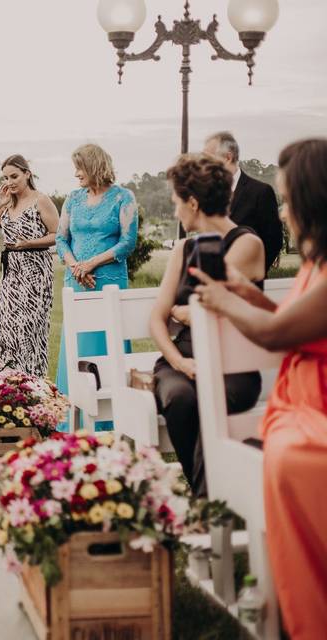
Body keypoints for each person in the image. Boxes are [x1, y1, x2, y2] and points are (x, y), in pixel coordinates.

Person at [193, 138, 327, 638]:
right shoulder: (315, 264)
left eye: (291, 199)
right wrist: (251, 296)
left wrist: (224, 303)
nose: (285, 211)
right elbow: (293, 322)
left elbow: (276, 335)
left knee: (296, 458)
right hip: (302, 398)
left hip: (317, 404)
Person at [148, 154, 265, 497]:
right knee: (180, 398)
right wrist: (178, 361)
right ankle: (210, 497)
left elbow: (207, 305)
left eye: (176, 203)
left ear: (193, 202)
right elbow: (159, 316)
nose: (175, 212)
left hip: (233, 366)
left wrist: (186, 311)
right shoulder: (183, 248)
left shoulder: (247, 243)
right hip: (182, 359)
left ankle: (208, 502)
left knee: (208, 396)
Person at [55, 143, 138, 430]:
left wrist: (91, 264)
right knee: (76, 346)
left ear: (94, 167)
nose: (76, 173)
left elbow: (127, 243)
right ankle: (72, 422)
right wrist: (76, 265)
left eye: (80, 167)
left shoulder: (123, 198)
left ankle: (112, 421)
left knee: (107, 345)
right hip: (76, 283)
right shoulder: (73, 199)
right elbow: (61, 239)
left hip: (109, 284)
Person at [0, 154, 58, 377]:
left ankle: (31, 382)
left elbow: (58, 235)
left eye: (14, 176)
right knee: (6, 328)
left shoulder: (41, 200)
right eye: (5, 177)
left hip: (35, 273)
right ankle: (4, 382)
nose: (10, 182)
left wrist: (29, 243)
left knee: (28, 330)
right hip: (11, 274)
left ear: (27, 174)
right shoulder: (6, 202)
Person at [204, 131, 283, 272]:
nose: (203, 165)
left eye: (208, 159)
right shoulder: (208, 194)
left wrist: (252, 273)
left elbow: (274, 241)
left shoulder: (261, 192)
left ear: (228, 158)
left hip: (248, 286)